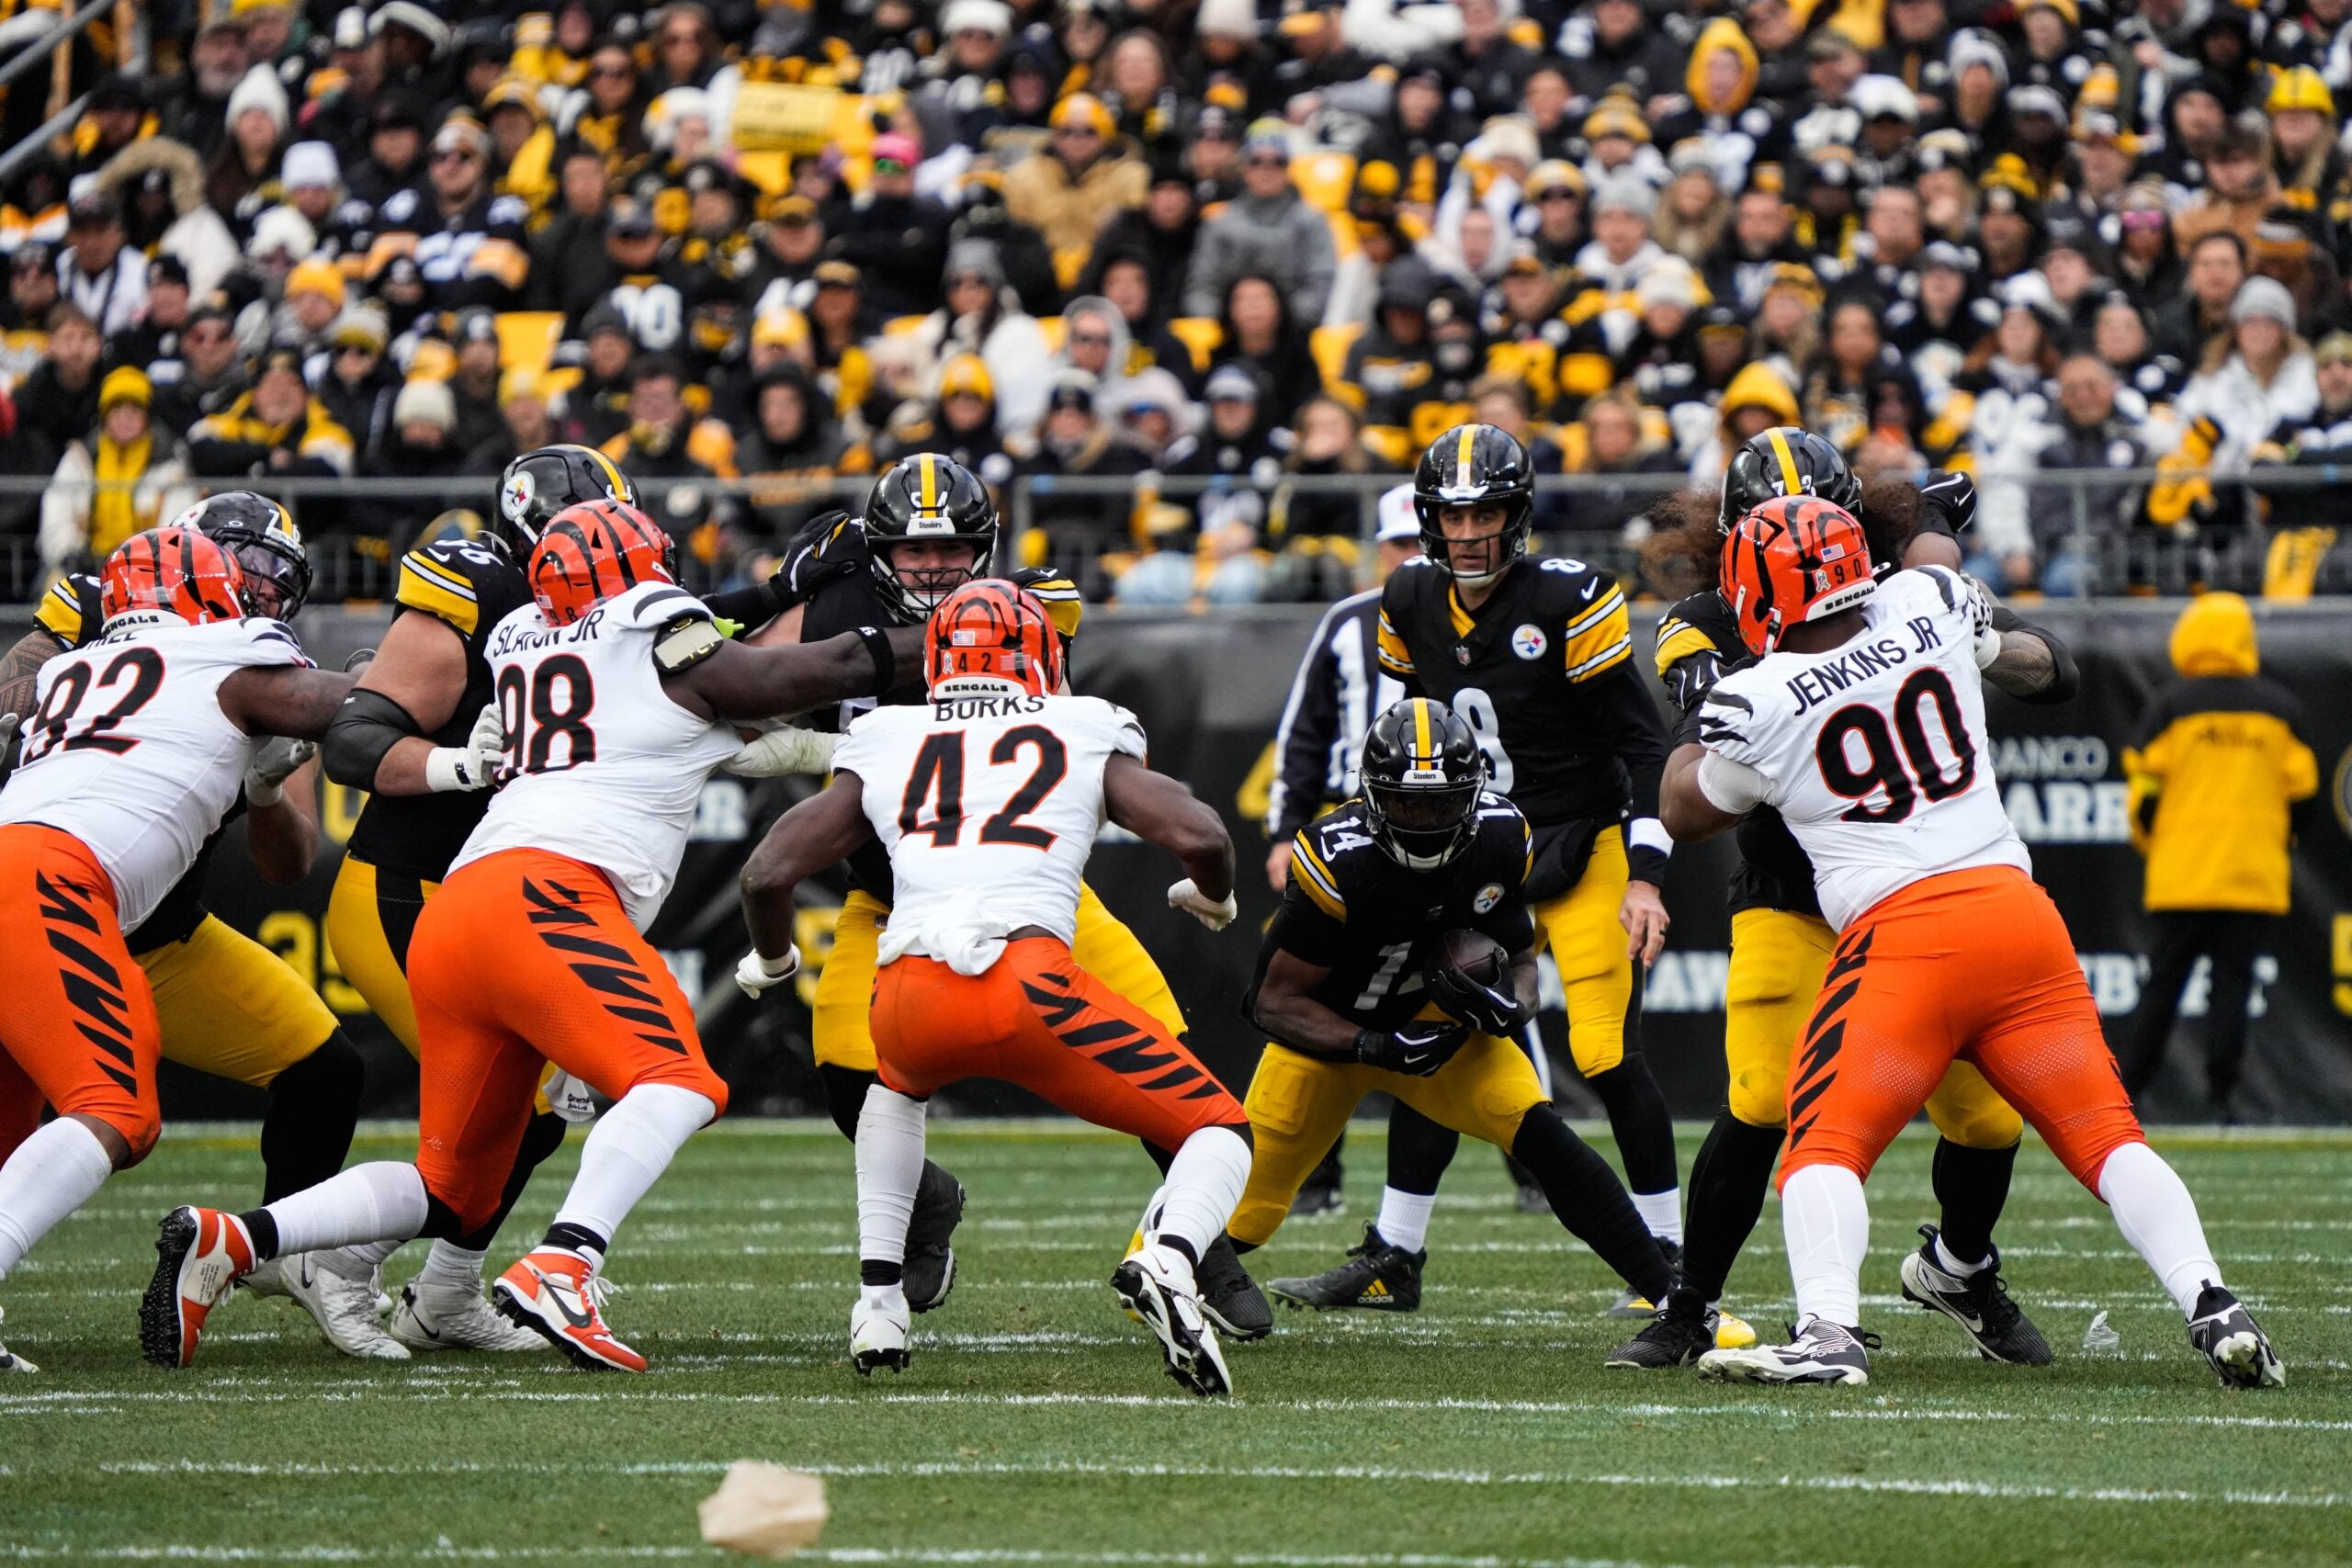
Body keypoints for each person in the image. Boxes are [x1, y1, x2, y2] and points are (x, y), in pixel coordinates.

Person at [144, 499, 927, 1374]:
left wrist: (818, 738)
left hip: (463, 908)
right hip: (547, 894)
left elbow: (710, 727)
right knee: (679, 1080)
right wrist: (953, 637)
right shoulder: (656, 625)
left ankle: (234, 1239)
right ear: (643, 568)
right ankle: (568, 1261)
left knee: (453, 1184)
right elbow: (785, 677)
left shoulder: (524, 635)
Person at [1674, 498, 2282, 1391]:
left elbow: (1685, 808)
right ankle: (2211, 1302)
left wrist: (1699, 711)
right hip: (2015, 915)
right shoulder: (1926, 600)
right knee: (2108, 1137)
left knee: (1822, 1147)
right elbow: (1983, 616)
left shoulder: (1756, 697)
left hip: (1905, 940)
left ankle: (1828, 1332)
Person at [727, 456, 1270, 1337]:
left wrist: (822, 700)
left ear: (985, 549)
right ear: (878, 552)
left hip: (1026, 887)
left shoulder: (1018, 608)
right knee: (847, 1081)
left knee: (1164, 1046)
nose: (935, 569)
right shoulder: (835, 608)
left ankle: (1201, 1251)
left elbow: (947, 684)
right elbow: (748, 685)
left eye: (951, 550)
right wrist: (774, 620)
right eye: (911, 551)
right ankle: (928, 1204)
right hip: (891, 896)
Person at [1611, 436, 2076, 1371]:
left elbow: (2054, 671)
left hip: (1915, 900)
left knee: (1986, 1119)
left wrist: (1963, 600)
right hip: (1794, 895)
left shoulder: (1905, 596)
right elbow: (1694, 757)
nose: (1796, 538)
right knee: (1759, 1098)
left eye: (1820, 519)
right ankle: (1689, 1304)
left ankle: (1961, 1271)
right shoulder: (1705, 620)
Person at [1272, 424, 1684, 1316]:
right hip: (1460, 858)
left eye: (1485, 510)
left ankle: (1670, 1255)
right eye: (1452, 513)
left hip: (1576, 847)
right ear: (1426, 518)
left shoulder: (1570, 598)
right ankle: (1396, 1252)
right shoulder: (1407, 596)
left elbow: (1643, 741)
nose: (1467, 532)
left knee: (1605, 1052)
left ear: (1517, 513)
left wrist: (1645, 874)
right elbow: (1400, 738)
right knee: (1434, 1027)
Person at [0, 495, 387, 1358]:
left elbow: (287, 861)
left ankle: (285, 1251)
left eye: (275, 578)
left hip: (145, 920)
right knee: (112, 1107)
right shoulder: (224, 648)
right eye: (243, 566)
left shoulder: (103, 664)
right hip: (62, 886)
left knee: (324, 1070)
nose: (259, 589)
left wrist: (258, 789)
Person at [312, 446, 640, 1355]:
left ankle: (445, 1289)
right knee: (509, 1109)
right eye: (590, 541)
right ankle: (324, 1258)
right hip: (403, 893)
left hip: (496, 907)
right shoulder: (480, 588)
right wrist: (462, 763)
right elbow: (353, 740)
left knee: (538, 1115)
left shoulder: (616, 618)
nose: (609, 564)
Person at [1221, 698, 1679, 1341]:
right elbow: (1270, 1002)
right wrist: (1375, 1044)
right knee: (1249, 1216)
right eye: (1409, 803)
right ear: (1376, 798)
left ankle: (1677, 1302)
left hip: (1434, 1026)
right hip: (1329, 1041)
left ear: (1472, 793)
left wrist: (1509, 1003)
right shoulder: (1336, 857)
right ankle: (1160, 1267)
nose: (1428, 819)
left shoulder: (1500, 833)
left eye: (1442, 803)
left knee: (1544, 1136)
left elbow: (1520, 953)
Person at [1256, 484, 1421, 1217]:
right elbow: (1303, 730)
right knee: (1312, 987)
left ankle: (1528, 1169)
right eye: (1404, 545)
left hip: (1440, 830)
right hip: (1345, 822)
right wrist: (1283, 828)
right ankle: (1314, 1176)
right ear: (1382, 550)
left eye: (1425, 543)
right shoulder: (1347, 619)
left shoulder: (1476, 622)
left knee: (1459, 977)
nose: (1415, 557)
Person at [2114, 593, 2317, 1118]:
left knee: (2162, 988)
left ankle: (2126, 1097)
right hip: (2252, 877)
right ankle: (2222, 1099)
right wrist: (2278, 844)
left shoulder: (2171, 705)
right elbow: (2304, 794)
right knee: (2232, 992)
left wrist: (2153, 841)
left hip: (2182, 875)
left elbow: (2144, 788)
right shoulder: (2281, 708)